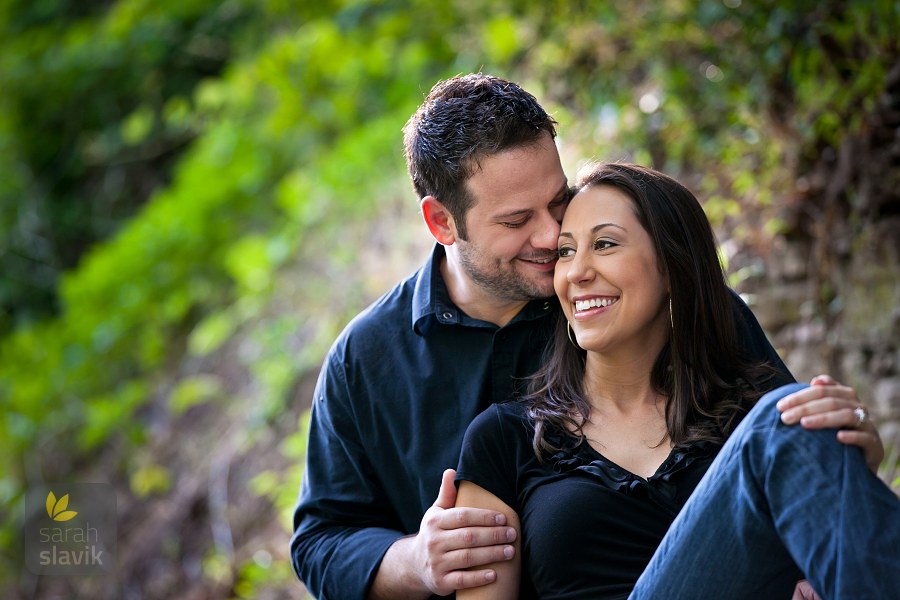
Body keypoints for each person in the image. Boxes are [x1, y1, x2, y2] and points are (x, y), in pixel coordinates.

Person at [290, 74, 884, 600]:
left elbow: (787, 462)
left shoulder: (650, 308)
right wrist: (417, 561)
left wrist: (841, 462)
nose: (553, 238)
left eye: (558, 200)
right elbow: (321, 537)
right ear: (442, 222)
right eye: (518, 220)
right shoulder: (368, 360)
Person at [454, 162, 899, 600]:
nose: (577, 272)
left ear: (671, 266)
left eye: (605, 244)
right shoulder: (504, 438)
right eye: (566, 252)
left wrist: (856, 447)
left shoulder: (743, 415)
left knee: (796, 414)